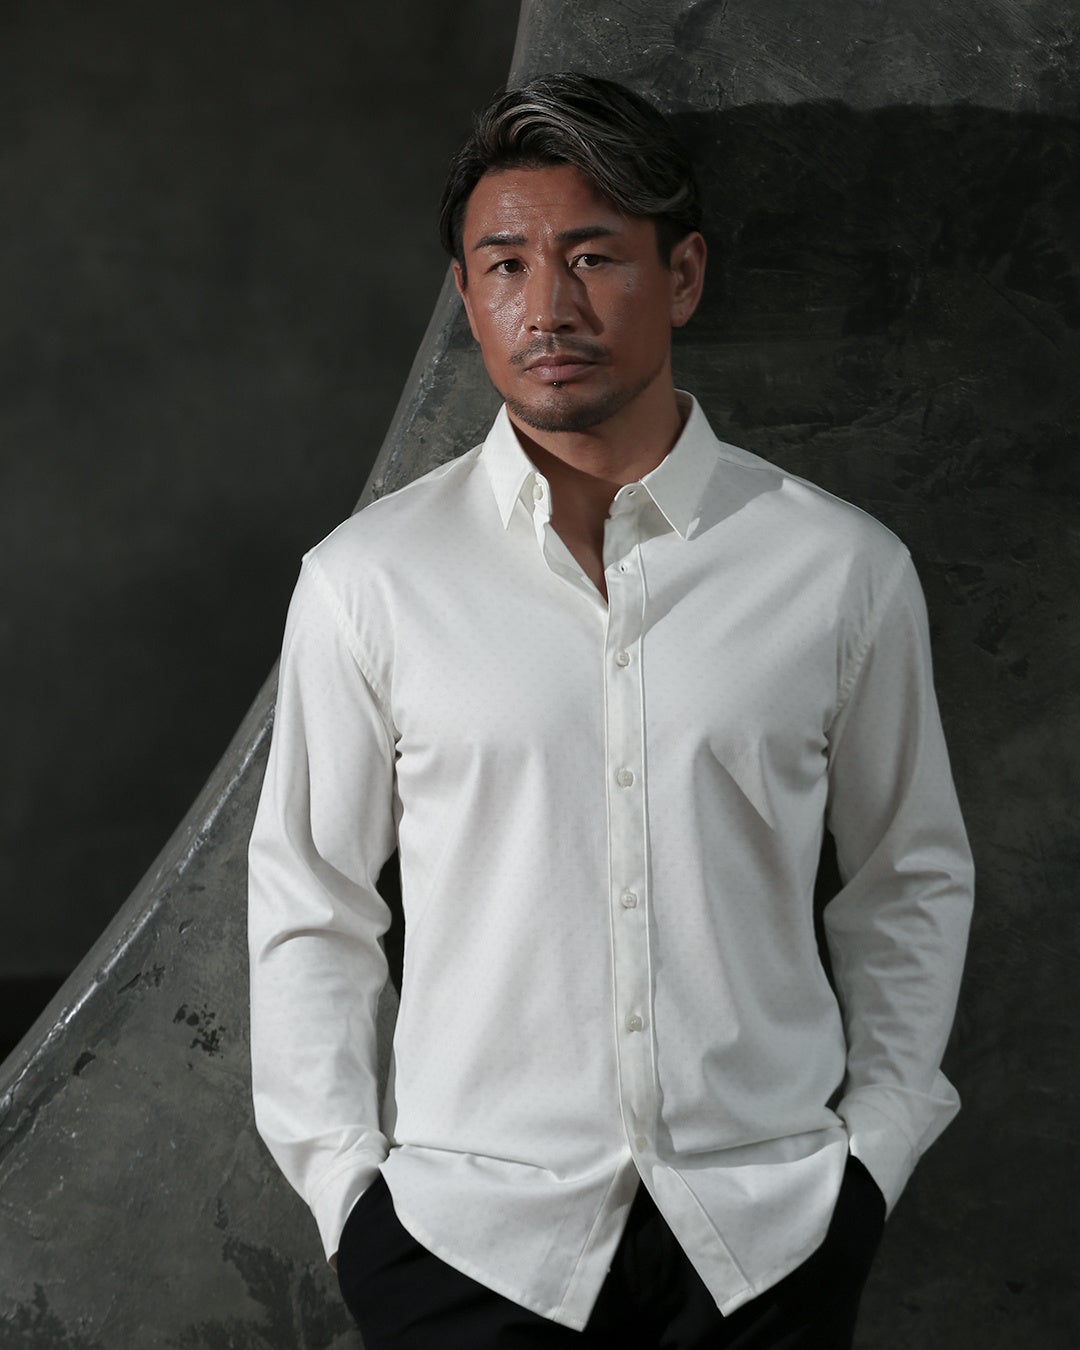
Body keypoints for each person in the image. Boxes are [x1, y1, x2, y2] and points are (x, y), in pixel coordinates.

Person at [247, 73, 973, 1349]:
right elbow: (311, 901)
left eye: (592, 257)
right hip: (466, 1251)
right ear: (466, 293)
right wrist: (351, 1201)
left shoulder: (840, 571)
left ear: (681, 276)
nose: (549, 307)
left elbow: (909, 877)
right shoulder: (369, 583)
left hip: (771, 1243)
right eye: (507, 265)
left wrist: (874, 1157)